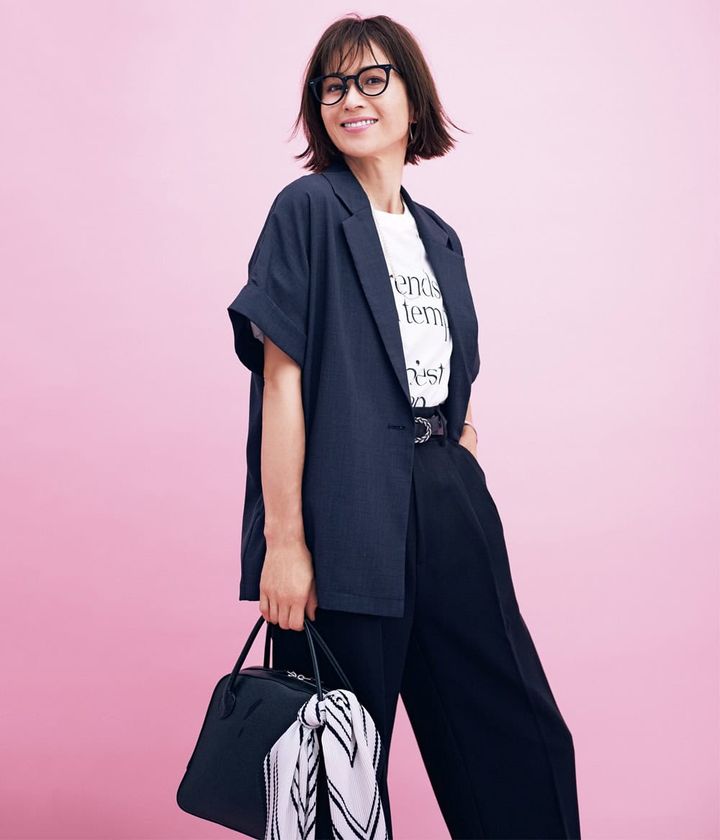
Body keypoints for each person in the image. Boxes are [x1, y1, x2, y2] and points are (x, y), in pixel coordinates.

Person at [227, 13, 582, 840]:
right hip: (346, 505)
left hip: (446, 498)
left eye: (372, 80)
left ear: (412, 98)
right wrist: (285, 542)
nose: (351, 100)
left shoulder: (438, 239)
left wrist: (457, 449)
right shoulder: (308, 211)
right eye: (333, 87)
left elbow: (449, 371)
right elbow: (282, 383)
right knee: (336, 762)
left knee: (515, 737)